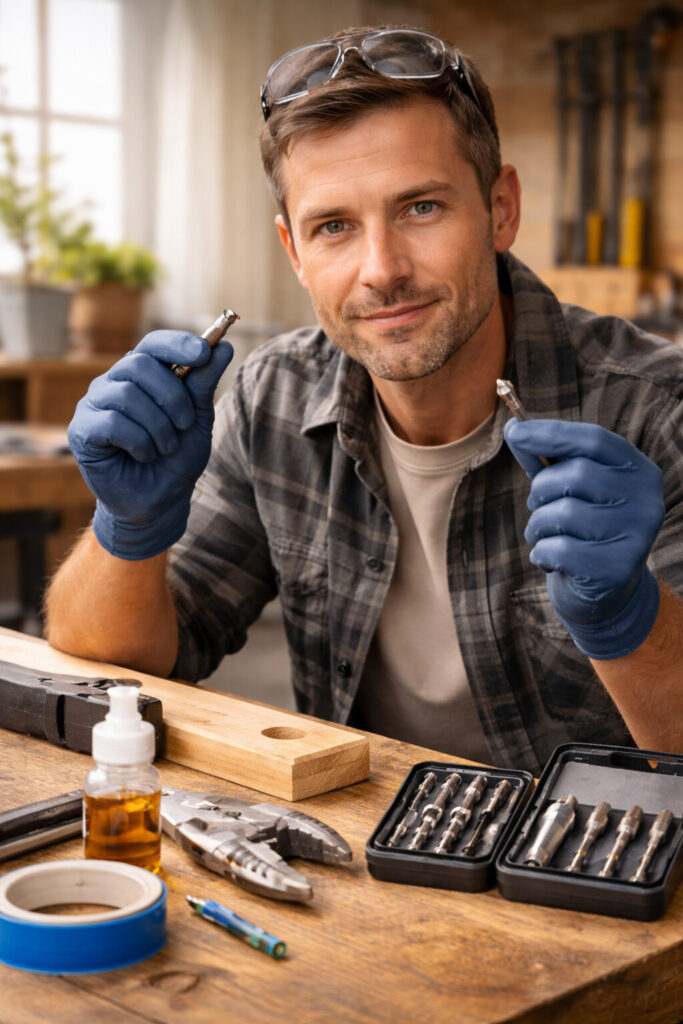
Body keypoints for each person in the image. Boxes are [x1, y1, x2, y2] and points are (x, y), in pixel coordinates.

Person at [46, 26, 683, 774]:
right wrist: (128, 530)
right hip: (360, 838)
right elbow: (125, 669)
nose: (381, 269)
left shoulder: (657, 411)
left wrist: (630, 622)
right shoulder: (274, 397)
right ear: (295, 252)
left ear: (501, 209)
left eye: (421, 208)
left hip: (595, 842)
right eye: (334, 226)